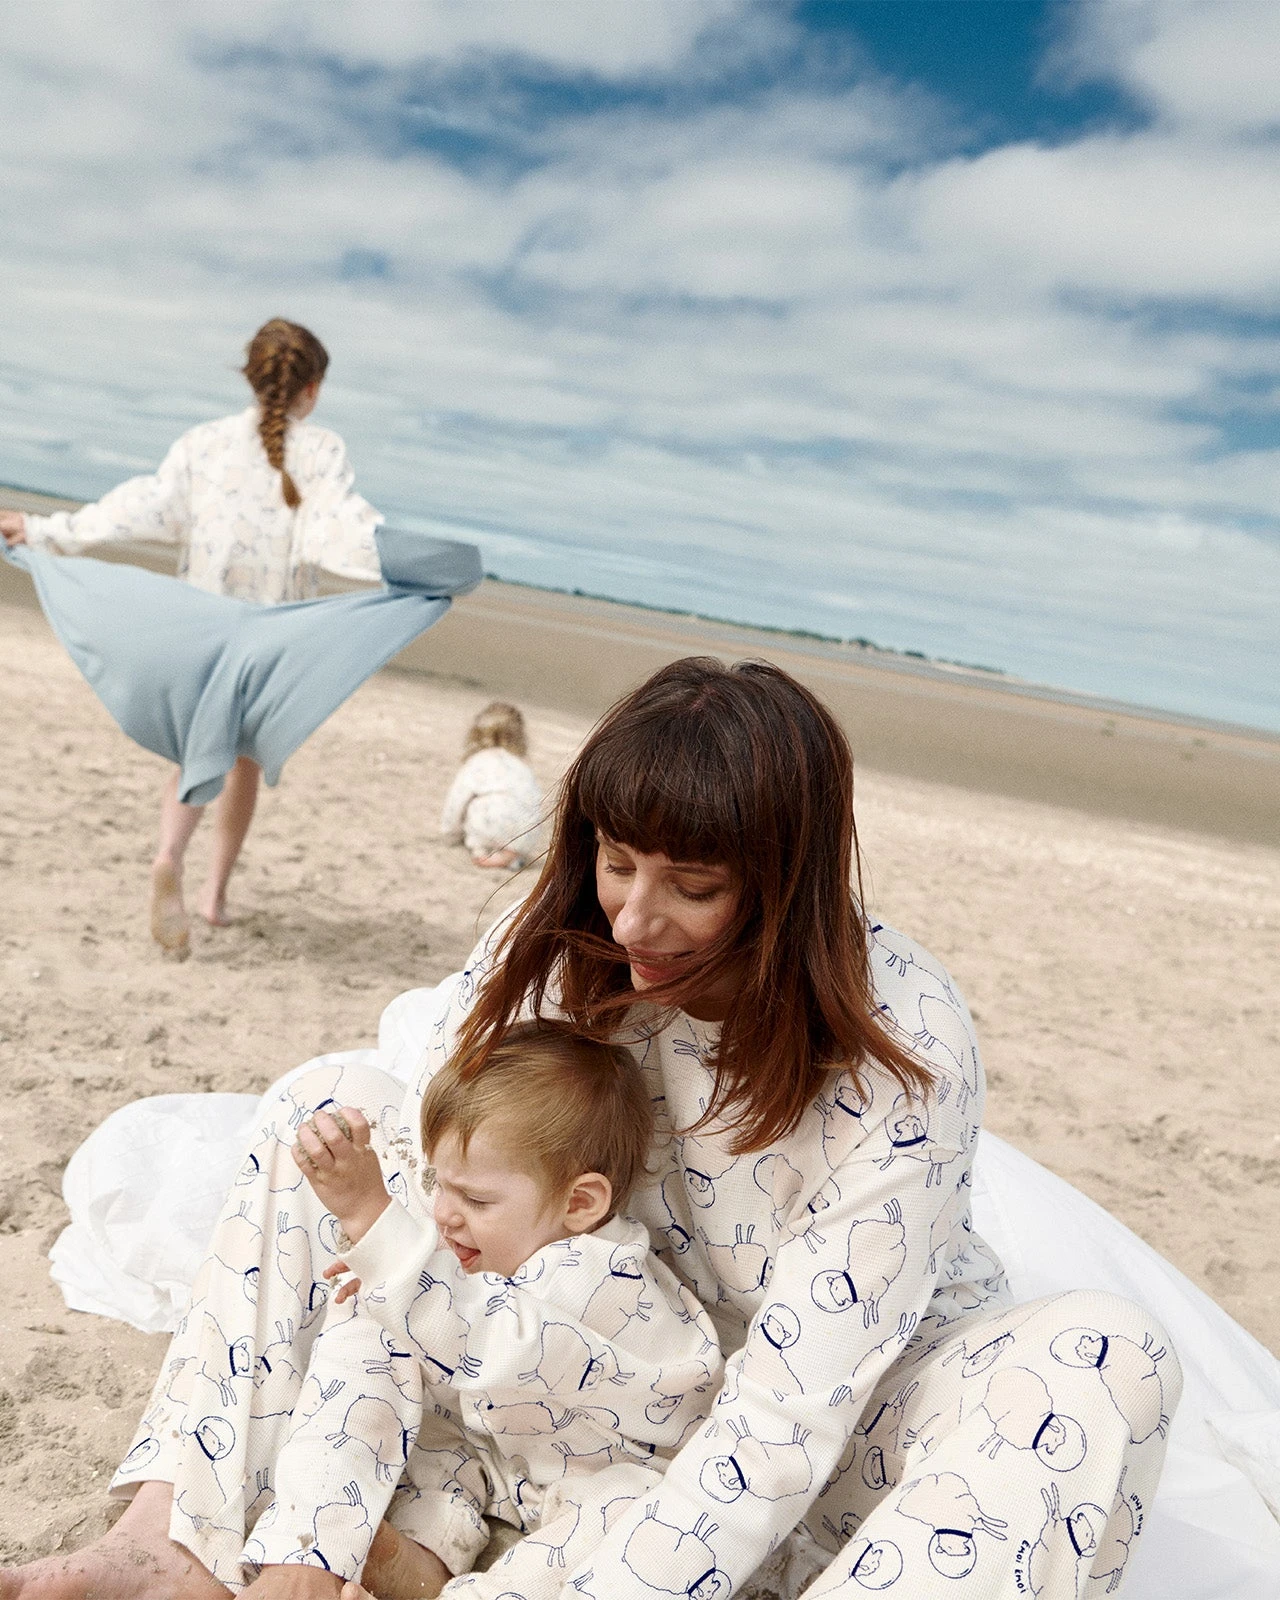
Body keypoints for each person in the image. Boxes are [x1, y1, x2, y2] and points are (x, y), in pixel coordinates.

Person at [0, 656, 1182, 1600]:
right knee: (324, 1118)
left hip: (831, 1406)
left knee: (1106, 1354)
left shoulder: (900, 1042)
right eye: (617, 862)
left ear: (788, 881)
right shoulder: (574, 935)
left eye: (695, 886)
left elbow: (781, 1420)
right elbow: (427, 1187)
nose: (636, 916)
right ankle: (177, 1538)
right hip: (586, 1358)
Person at [287, 1019, 721, 1597]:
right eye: (438, 1184)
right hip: (512, 1458)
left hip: (609, 1476)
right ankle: (412, 1561)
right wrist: (375, 1275)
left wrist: (374, 1221)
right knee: (434, 1446)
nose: (443, 1213)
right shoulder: (512, 1239)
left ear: (581, 1202)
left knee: (619, 1520)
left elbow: (486, 1336)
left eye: (475, 1198)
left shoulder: (600, 1273)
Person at [0, 318, 383, 955]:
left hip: (199, 633)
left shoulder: (204, 443)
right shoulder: (320, 451)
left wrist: (45, 531)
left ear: (250, 376)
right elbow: (342, 529)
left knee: (194, 753)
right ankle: (213, 896)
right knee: (244, 765)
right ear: (312, 387)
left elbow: (138, 509)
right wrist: (410, 566)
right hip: (268, 639)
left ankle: (167, 855)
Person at [439, 702, 544, 870]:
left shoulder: (478, 761)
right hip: (526, 834)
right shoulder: (522, 767)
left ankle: (483, 851)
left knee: (483, 807)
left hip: (490, 829)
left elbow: (457, 800)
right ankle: (511, 855)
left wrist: (450, 832)